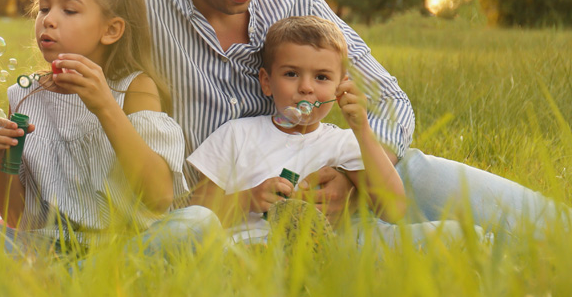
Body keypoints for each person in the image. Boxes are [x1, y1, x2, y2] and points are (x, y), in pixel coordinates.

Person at [134, 0, 565, 238]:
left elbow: (387, 100)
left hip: (335, 197)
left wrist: (347, 178)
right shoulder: (137, 4)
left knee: (432, 178)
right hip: (216, 218)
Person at [0, 0, 219, 256]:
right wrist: (4, 160)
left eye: (69, 11)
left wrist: (105, 107)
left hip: (123, 247)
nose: (49, 20)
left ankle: (56, 282)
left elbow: (158, 197)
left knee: (198, 222)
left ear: (111, 30)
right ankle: (62, 277)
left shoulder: (134, 88)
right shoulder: (25, 96)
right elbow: (14, 217)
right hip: (44, 247)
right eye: (44, 8)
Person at [189, 15, 468, 246]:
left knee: (441, 237)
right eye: (291, 74)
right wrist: (247, 199)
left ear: (340, 86)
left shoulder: (344, 143)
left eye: (321, 77)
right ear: (266, 82)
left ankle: (479, 241)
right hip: (244, 251)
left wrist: (362, 130)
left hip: (327, 254)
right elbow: (197, 208)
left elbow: (393, 208)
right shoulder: (237, 134)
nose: (307, 87)